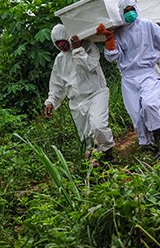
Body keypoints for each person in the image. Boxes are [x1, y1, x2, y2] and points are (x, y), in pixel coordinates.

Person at [96, 0, 160, 158]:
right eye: (126, 10)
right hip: (128, 78)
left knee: (151, 105)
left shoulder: (148, 25)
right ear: (121, 13)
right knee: (137, 114)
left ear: (136, 8)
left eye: (131, 9)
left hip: (148, 73)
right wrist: (108, 38)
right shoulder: (118, 33)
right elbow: (111, 56)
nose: (130, 13)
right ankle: (148, 143)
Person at [44, 24, 115, 163]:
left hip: (96, 94)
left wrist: (78, 50)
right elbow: (57, 85)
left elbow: (90, 65)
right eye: (57, 44)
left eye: (63, 42)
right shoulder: (60, 59)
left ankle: (108, 153)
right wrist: (51, 102)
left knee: (98, 126)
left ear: (69, 38)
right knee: (86, 137)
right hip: (76, 102)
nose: (61, 46)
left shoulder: (88, 46)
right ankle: (98, 164)